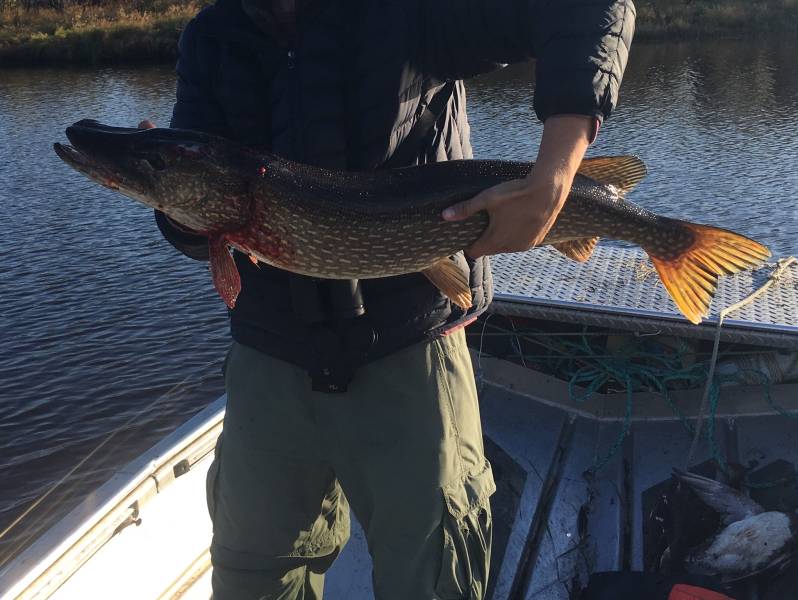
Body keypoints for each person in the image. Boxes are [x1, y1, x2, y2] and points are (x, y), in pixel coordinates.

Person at [152, 1, 635, 598]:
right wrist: (169, 195)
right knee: (254, 579)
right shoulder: (213, 35)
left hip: (408, 351)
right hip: (268, 364)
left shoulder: (408, 12)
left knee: (432, 581)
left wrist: (557, 175)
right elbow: (205, 219)